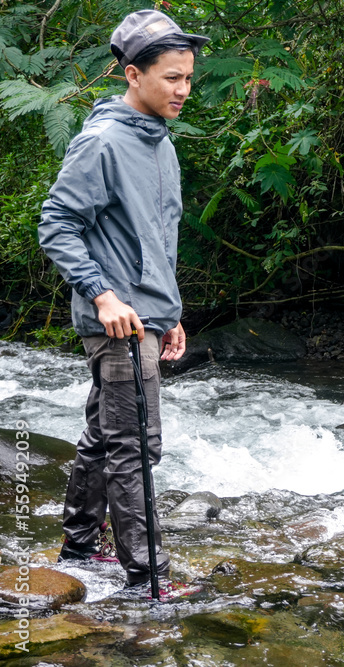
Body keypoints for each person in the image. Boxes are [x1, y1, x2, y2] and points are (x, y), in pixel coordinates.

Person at [37, 9, 208, 589]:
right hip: (117, 322)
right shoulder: (102, 142)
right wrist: (103, 296)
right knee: (135, 446)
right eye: (172, 78)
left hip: (147, 315)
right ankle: (149, 582)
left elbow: (157, 238)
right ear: (133, 74)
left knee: (103, 437)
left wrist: (170, 312)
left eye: (188, 78)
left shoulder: (160, 144)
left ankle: (79, 551)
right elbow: (57, 224)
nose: (183, 90)